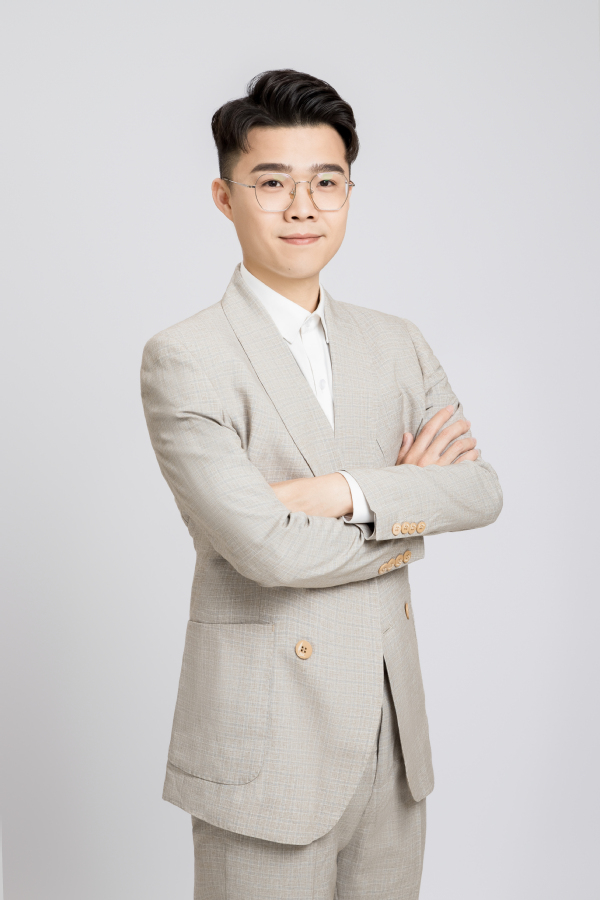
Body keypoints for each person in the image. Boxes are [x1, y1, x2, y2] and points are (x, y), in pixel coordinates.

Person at [140, 68, 502, 900]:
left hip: (392, 740)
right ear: (226, 198)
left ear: (347, 193)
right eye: (272, 183)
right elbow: (267, 551)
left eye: (326, 182)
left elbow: (481, 490)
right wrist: (408, 512)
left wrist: (341, 492)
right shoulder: (185, 357)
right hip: (267, 748)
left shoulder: (397, 341)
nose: (303, 207)